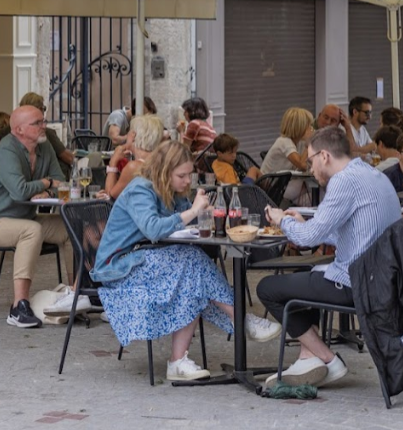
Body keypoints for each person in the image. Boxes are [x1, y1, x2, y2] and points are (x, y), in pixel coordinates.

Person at [92, 142, 281, 381]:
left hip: (146, 259)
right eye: (181, 176)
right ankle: (240, 318)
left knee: (191, 273)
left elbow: (186, 223)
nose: (186, 181)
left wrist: (202, 211)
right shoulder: (140, 189)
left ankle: (179, 361)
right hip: (120, 267)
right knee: (191, 261)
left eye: (189, 175)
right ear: (164, 172)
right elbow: (153, 229)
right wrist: (193, 212)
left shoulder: (171, 191)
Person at [258, 125, 401, 387]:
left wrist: (282, 220)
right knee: (305, 275)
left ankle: (328, 359)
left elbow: (306, 240)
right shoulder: (372, 174)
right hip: (381, 279)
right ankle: (308, 356)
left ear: (324, 156)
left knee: (267, 288)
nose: (310, 169)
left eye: (311, 161)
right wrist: (305, 224)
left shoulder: (343, 181)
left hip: (355, 284)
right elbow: (354, 234)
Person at [0, 104, 79, 327]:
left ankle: (74, 296)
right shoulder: (6, 150)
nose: (44, 126)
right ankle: (19, 307)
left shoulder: (44, 146)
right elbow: (19, 191)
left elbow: (61, 181)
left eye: (43, 121)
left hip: (22, 218)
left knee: (71, 227)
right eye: (37, 123)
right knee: (31, 230)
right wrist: (46, 182)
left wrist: (48, 191)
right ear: (19, 129)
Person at [103, 115, 165, 201]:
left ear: (133, 135)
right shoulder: (160, 160)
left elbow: (110, 196)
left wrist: (113, 162)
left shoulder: (134, 167)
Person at [262, 107, 315, 204]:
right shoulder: (284, 142)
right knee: (311, 188)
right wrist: (309, 142)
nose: (311, 129)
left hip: (285, 184)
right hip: (272, 187)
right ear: (299, 127)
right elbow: (302, 165)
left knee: (314, 194)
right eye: (308, 126)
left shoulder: (299, 143)